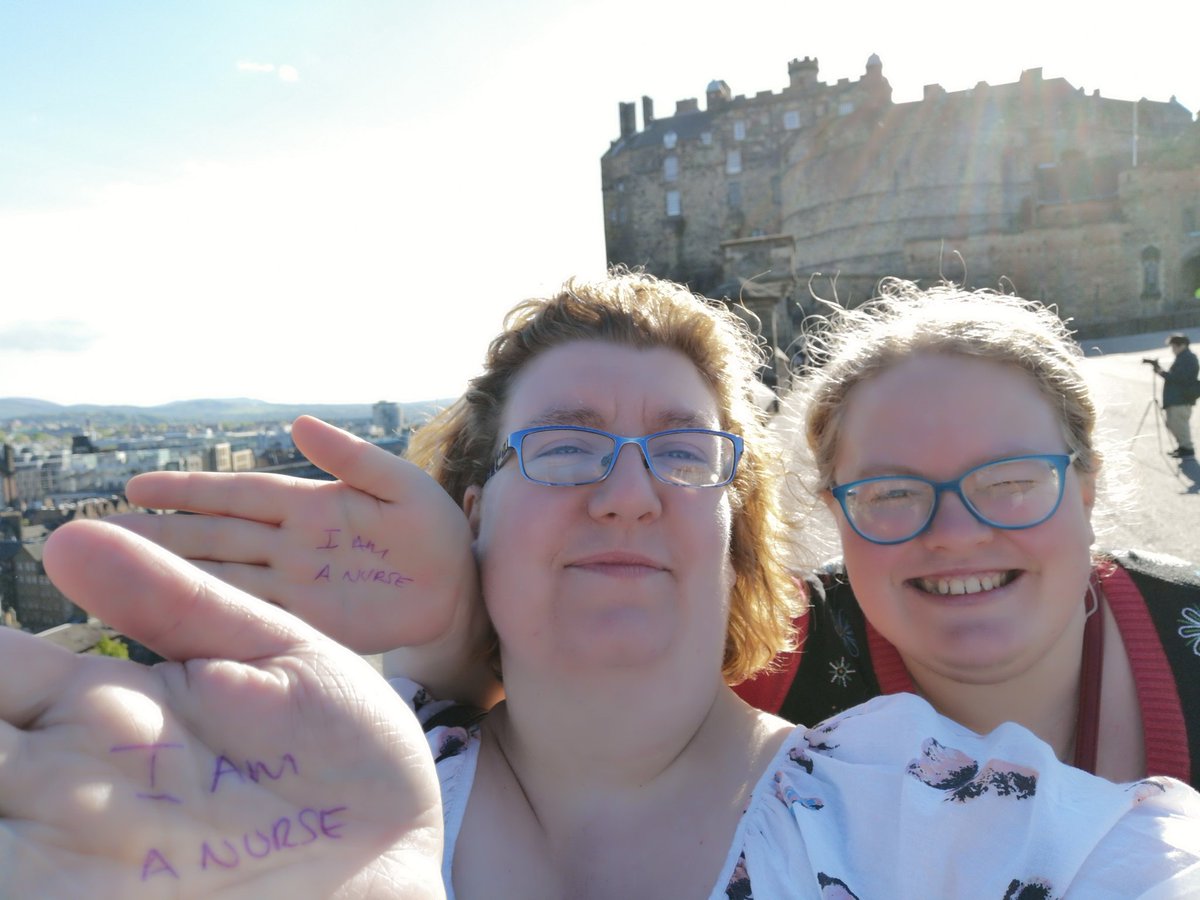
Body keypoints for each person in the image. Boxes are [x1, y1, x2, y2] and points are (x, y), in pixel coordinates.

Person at [44, 269, 1197, 897]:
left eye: (685, 453)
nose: (629, 491)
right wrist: (450, 637)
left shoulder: (934, 805)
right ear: (475, 512)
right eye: (567, 445)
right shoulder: (317, 786)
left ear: (739, 535)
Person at [735, 282, 1200, 790]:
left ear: (1085, 491)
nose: (956, 535)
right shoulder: (768, 655)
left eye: (1009, 481)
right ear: (836, 512)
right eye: (892, 494)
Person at [1150, 333, 1198, 459]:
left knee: (1179, 424)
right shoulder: (1183, 357)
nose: (1172, 350)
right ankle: (1183, 446)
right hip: (1177, 398)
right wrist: (1162, 372)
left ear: (1182, 345)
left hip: (1181, 399)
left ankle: (1187, 448)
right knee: (1172, 423)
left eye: (1174, 347)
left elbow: (1180, 378)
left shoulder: (1188, 358)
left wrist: (1162, 372)